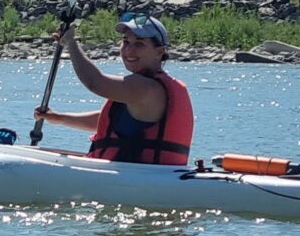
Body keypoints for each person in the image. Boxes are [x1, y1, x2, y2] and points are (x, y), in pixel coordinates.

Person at [33, 12, 193, 165]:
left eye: (139, 44)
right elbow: (107, 121)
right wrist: (59, 118)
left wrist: (71, 43)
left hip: (140, 177)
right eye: (126, 42)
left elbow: (95, 82)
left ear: (159, 52)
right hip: (134, 173)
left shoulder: (148, 88)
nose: (129, 49)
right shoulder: (142, 90)